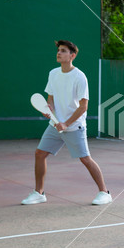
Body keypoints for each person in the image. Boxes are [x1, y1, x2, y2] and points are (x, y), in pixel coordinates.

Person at [21, 40, 112, 205]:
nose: (59, 53)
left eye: (63, 51)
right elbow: (51, 97)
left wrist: (66, 123)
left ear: (72, 55)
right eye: (58, 50)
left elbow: (84, 106)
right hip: (55, 125)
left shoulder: (79, 77)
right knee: (40, 154)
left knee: (85, 159)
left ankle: (104, 192)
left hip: (74, 126)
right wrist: (48, 108)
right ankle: (39, 193)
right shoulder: (53, 73)